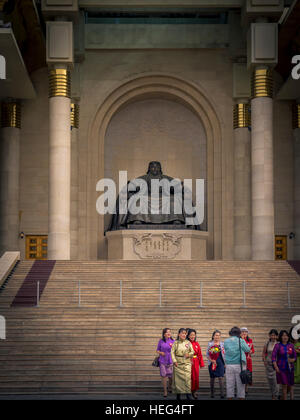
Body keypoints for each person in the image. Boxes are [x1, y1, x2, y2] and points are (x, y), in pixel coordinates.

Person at [224, 326, 250, 400]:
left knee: (229, 384)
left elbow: (226, 350)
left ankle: (230, 398)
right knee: (241, 385)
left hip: (229, 365)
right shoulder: (240, 340)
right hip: (239, 365)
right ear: (239, 333)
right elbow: (247, 349)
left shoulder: (226, 341)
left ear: (230, 333)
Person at [272, 330, 297, 400]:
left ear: (288, 337)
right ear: (280, 337)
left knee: (291, 385)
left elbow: (295, 357)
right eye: (283, 335)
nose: (285, 337)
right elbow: (273, 357)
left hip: (290, 368)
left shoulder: (291, 345)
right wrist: (276, 366)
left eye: (286, 335)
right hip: (281, 368)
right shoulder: (277, 345)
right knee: (284, 386)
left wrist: (292, 360)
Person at [171, 328, 194, 400]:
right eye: (182, 333)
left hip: (186, 363)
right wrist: (174, 361)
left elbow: (192, 352)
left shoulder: (188, 342)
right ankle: (178, 395)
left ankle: (188, 394)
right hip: (178, 363)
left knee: (187, 379)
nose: (184, 335)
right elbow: (172, 352)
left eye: (185, 333)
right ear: (179, 334)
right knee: (178, 381)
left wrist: (189, 354)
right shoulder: (176, 343)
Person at [206, 330, 225, 399]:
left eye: (219, 335)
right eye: (216, 335)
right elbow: (207, 354)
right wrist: (212, 360)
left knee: (221, 377)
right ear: (213, 336)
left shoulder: (222, 344)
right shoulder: (210, 344)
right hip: (212, 362)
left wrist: (225, 363)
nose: (217, 336)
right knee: (212, 378)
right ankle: (212, 393)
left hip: (220, 362)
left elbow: (224, 354)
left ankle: (222, 393)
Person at [156, 328, 175, 398]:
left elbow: (176, 350)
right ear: (164, 334)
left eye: (170, 332)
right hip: (162, 360)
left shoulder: (173, 341)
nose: (169, 333)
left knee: (171, 377)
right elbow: (157, 350)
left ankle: (169, 386)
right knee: (164, 376)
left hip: (170, 360)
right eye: (167, 332)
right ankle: (165, 391)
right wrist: (161, 352)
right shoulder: (161, 341)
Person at [186, 328, 205, 399]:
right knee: (189, 377)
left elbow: (199, 354)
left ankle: (194, 391)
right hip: (188, 362)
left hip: (195, 362)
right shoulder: (186, 343)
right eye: (191, 335)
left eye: (194, 335)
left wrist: (201, 363)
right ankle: (188, 392)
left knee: (195, 377)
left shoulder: (197, 344)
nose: (192, 336)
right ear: (188, 336)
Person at [262, 329, 279, 400]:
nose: (273, 336)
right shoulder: (267, 343)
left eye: (275, 335)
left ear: (277, 336)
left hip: (277, 365)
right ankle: (273, 395)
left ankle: (275, 396)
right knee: (270, 382)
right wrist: (264, 361)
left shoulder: (278, 343)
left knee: (276, 382)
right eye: (272, 335)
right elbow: (263, 353)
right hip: (269, 365)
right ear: (269, 335)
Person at [240, 327, 255, 394]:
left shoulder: (250, 340)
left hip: (248, 360)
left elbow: (253, 350)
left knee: (247, 374)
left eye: (245, 332)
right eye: (242, 332)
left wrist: (251, 351)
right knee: (241, 374)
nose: (244, 333)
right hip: (241, 360)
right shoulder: (238, 340)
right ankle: (240, 389)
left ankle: (246, 389)